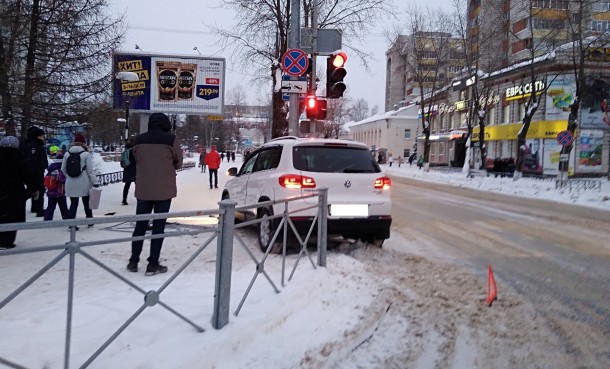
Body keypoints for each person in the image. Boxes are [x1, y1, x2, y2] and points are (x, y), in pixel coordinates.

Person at [127, 112, 183, 276]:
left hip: (143, 190)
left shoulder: (139, 140)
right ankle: (153, 264)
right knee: (158, 227)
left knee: (140, 226)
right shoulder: (171, 140)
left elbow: (136, 159)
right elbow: (178, 162)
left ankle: (133, 261)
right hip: (164, 191)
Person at [0, 136, 37, 249]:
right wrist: (33, 188)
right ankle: (7, 241)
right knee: (12, 217)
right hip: (14, 194)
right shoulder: (18, 158)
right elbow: (27, 175)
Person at [62, 133, 98, 230]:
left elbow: (63, 169)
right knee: (86, 202)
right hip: (83, 182)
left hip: (70, 182)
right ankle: (89, 220)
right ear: (84, 143)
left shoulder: (67, 153)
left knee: (73, 203)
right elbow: (90, 171)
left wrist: (70, 177)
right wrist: (95, 182)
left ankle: (72, 223)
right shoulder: (86, 154)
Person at [21, 126, 48, 217]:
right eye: (42, 136)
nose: (43, 138)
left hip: (30, 171)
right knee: (38, 189)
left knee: (34, 189)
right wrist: (41, 166)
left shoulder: (27, 144)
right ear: (38, 136)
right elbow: (33, 160)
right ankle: (39, 210)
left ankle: (35, 207)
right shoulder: (34, 146)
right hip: (35, 172)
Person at [43, 153, 69, 221]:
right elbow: (62, 179)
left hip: (51, 191)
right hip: (60, 191)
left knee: (50, 207)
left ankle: (47, 220)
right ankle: (67, 220)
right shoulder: (62, 168)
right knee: (63, 207)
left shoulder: (51, 168)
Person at [122, 137, 136, 205]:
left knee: (127, 185)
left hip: (127, 169)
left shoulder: (126, 149)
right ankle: (140, 198)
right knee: (138, 185)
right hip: (134, 169)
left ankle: (124, 199)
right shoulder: (133, 150)